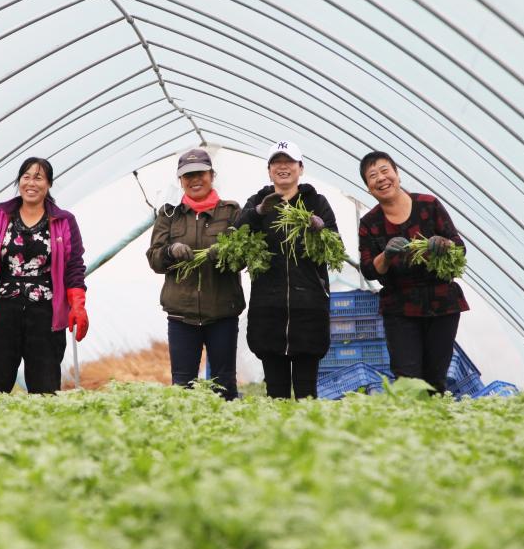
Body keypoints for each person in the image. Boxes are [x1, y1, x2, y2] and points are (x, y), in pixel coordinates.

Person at [0, 157, 88, 394]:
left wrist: (77, 305)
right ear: (19, 181)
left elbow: (74, 265)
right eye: (26, 176)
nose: (31, 183)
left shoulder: (63, 221)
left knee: (45, 387)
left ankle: (42, 431)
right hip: (3, 310)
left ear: (49, 184)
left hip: (45, 313)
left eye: (39, 177)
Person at [357, 151, 468, 394]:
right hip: (400, 307)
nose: (381, 179)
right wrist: (385, 255)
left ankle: (434, 427)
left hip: (441, 303)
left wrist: (444, 244)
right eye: (373, 176)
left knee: (436, 377)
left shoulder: (428, 205)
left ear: (397, 173)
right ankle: (412, 427)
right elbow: (368, 269)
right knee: (407, 378)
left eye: (385, 171)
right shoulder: (370, 222)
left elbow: (459, 247)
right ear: (368, 188)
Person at [236, 141, 337, 399]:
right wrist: (258, 213)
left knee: (306, 392)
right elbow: (236, 235)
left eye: (289, 162)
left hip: (309, 310)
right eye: (277, 163)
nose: (283, 167)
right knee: (276, 393)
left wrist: (321, 230)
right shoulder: (258, 201)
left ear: (300, 168)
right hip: (268, 311)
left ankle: (307, 438)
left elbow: (334, 249)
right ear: (269, 171)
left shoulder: (317, 202)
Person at [146, 148, 245, 399]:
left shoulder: (231, 212)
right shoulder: (169, 215)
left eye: (200, 173)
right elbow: (155, 258)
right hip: (182, 315)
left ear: (212, 175)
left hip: (222, 311)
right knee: (182, 386)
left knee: (223, 384)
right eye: (188, 176)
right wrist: (171, 251)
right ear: (180, 181)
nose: (194, 180)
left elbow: (243, 258)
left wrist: (225, 254)